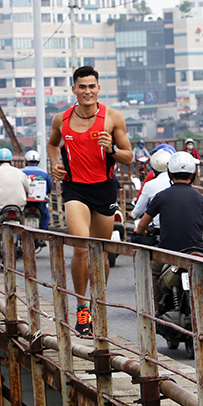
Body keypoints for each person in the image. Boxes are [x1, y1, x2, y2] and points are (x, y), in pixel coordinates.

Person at [47, 65, 133, 338]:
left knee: (100, 252)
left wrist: (112, 149)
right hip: (75, 190)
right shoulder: (62, 119)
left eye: (91, 86)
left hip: (104, 189)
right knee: (81, 248)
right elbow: (52, 144)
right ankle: (82, 306)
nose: (87, 91)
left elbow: (129, 156)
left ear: (98, 88)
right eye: (81, 86)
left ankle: (98, 303)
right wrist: (55, 164)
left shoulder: (112, 118)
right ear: (73, 89)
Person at [134, 152, 203, 307]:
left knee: (152, 271)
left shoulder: (161, 196)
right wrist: (202, 229)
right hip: (196, 253)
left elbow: (142, 224)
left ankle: (156, 310)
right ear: (192, 175)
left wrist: (140, 232)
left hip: (168, 254)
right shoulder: (202, 198)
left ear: (170, 174)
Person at [130, 148, 174, 228]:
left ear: (154, 168)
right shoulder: (177, 183)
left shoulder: (150, 185)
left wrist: (132, 214)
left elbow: (138, 211)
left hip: (158, 227)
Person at [21, 150, 53, 230]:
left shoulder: (21, 172)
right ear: (38, 161)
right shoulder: (44, 173)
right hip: (39, 201)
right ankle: (43, 235)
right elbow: (49, 187)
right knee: (45, 216)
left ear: (26, 161)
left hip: (24, 200)